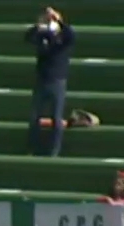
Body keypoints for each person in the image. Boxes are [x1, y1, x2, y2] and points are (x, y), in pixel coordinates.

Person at [25, 7, 75, 157]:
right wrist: (38, 24)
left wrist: (60, 21)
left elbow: (71, 35)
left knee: (56, 118)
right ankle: (31, 148)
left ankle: (54, 151)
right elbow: (28, 37)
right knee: (35, 117)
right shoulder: (43, 36)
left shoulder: (64, 40)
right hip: (42, 80)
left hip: (57, 81)